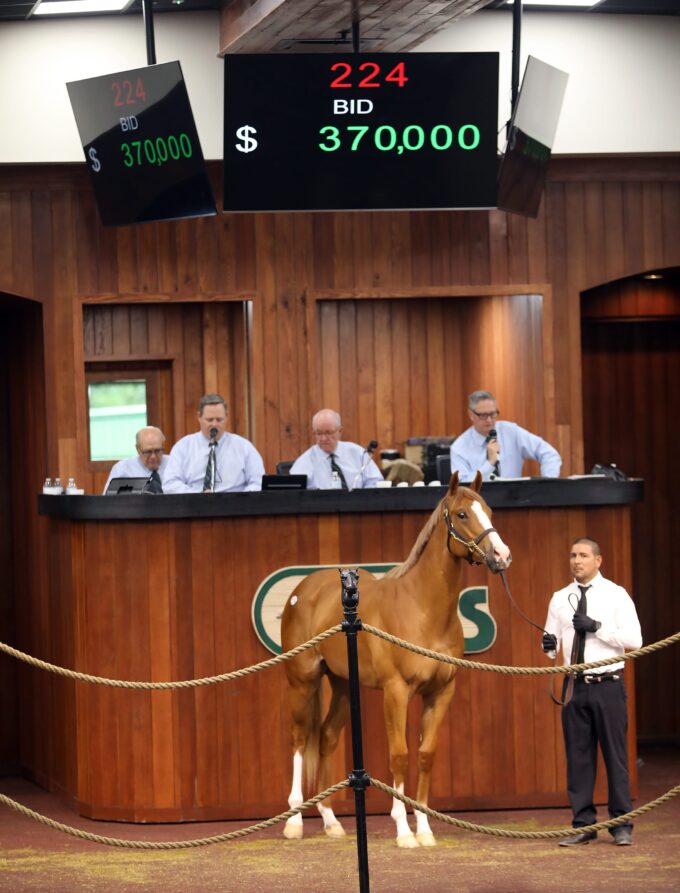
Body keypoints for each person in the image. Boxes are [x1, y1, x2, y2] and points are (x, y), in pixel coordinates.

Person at [542, 538, 643, 847]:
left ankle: (621, 824)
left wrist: (597, 626)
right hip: (574, 686)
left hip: (608, 685)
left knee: (616, 757)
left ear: (598, 560)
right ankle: (583, 824)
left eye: (583, 555)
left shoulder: (616, 595)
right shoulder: (560, 598)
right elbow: (551, 644)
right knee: (578, 759)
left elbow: (635, 640)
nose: (577, 560)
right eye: (573, 555)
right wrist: (548, 646)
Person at [450, 390, 561, 481]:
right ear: (471, 415)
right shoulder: (459, 447)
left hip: (515, 501)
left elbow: (549, 454)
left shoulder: (511, 432)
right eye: (483, 415)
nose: (489, 420)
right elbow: (462, 486)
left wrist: (548, 483)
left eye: (493, 414)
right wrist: (490, 463)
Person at [163, 394, 265, 493]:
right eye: (209, 420)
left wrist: (239, 500)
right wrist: (197, 496)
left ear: (227, 416)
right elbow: (170, 484)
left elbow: (258, 482)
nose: (214, 424)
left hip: (235, 507)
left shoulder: (244, 447)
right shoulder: (183, 447)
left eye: (219, 420)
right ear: (199, 417)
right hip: (193, 506)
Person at [290, 409, 383, 490]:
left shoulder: (358, 453)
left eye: (328, 433)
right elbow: (294, 494)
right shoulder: (304, 462)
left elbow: (376, 482)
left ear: (340, 431)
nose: (323, 438)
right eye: (318, 433)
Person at [102, 426, 168, 494]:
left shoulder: (173, 464)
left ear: (163, 446)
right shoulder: (122, 469)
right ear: (138, 449)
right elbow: (106, 500)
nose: (153, 456)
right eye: (148, 452)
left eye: (157, 451)